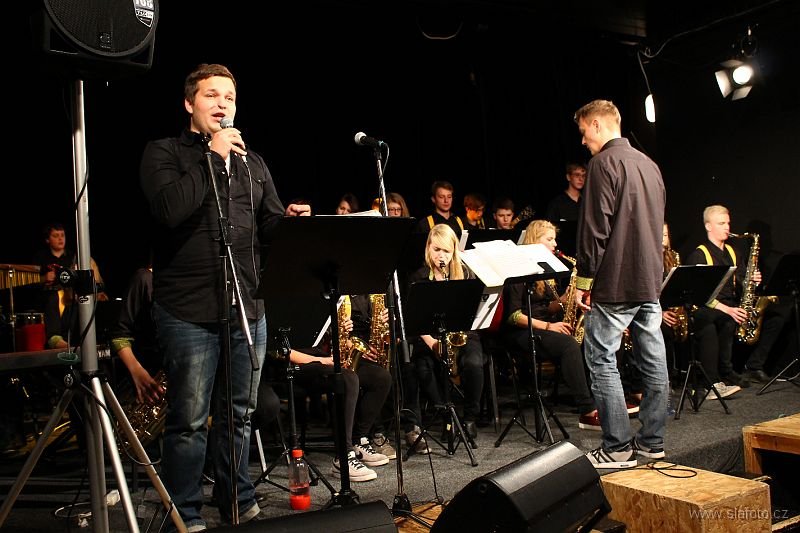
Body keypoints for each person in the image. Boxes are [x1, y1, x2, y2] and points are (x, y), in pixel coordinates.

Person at [139, 63, 310, 531]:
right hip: (187, 310)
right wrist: (212, 158)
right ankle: (184, 510)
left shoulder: (252, 162)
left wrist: (288, 221)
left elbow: (267, 225)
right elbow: (169, 211)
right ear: (188, 103)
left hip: (247, 307)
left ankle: (236, 496)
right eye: (211, 95)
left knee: (239, 415)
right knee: (191, 420)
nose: (222, 104)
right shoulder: (164, 152)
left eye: (229, 97)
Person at [573, 99, 668, 469]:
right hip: (649, 280)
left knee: (601, 359)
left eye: (584, 132)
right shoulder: (650, 164)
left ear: (597, 124)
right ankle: (652, 443)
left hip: (615, 282)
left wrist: (584, 280)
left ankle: (617, 448)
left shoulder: (602, 163)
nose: (583, 140)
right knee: (653, 360)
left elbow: (595, 228)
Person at [501, 220, 599, 429]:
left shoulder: (547, 269)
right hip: (521, 331)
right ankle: (587, 409)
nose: (555, 244)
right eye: (549, 239)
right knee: (568, 344)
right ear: (535, 241)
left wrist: (564, 300)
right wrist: (549, 327)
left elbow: (545, 307)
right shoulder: (518, 270)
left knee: (594, 335)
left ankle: (601, 397)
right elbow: (513, 316)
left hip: (544, 324)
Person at [405, 224, 485, 443]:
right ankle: (446, 417)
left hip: (462, 334)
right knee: (423, 367)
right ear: (428, 248)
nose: (441, 256)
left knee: (474, 363)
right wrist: (433, 343)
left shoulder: (465, 274)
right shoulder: (419, 277)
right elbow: (415, 319)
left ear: (454, 251)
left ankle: (469, 417)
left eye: (446, 251)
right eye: (436, 249)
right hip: (429, 336)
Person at [684, 205, 751, 395]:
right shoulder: (699, 254)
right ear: (708, 226)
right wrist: (727, 309)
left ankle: (726, 371)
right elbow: (699, 294)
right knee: (710, 321)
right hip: (704, 307)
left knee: (729, 320)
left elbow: (741, 280)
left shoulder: (733, 252)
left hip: (728, 305)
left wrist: (751, 280)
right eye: (721, 223)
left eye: (728, 223)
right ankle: (711, 382)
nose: (727, 227)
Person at [34, 222, 109, 349]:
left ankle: (80, 339)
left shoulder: (74, 257)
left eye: (62, 235)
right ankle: (54, 338)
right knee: (54, 297)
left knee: (80, 300)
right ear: (47, 240)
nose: (60, 238)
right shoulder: (40, 258)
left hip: (71, 295)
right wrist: (44, 278)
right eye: (56, 236)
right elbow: (32, 282)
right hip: (50, 296)